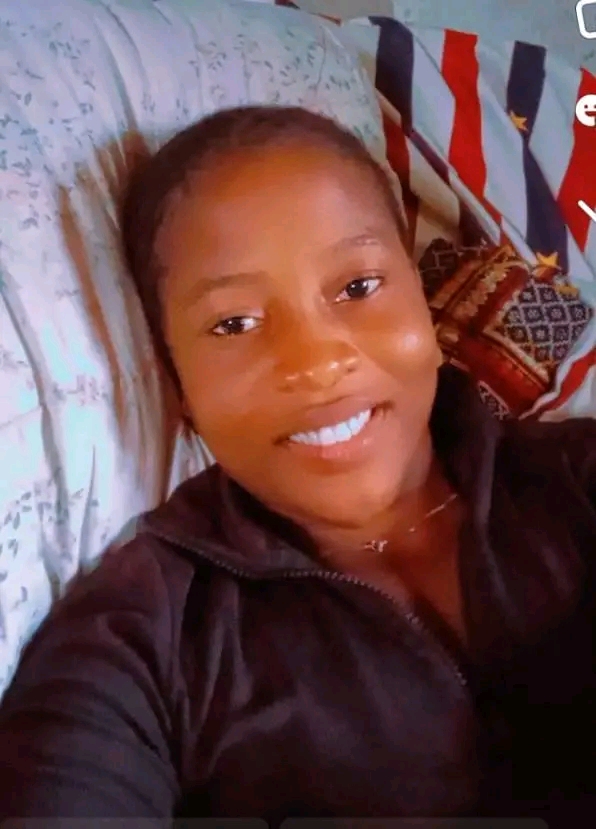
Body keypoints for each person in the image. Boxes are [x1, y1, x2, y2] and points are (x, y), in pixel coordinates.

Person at [0, 105, 594, 828]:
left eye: (358, 287)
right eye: (234, 324)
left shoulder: (577, 478)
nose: (315, 362)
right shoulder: (140, 638)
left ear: (419, 294)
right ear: (177, 384)